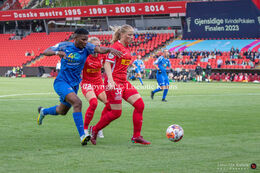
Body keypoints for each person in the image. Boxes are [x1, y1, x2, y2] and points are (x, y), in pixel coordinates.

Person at [37, 28, 122, 146]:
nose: (85, 42)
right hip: (61, 82)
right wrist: (57, 53)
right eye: (83, 39)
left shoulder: (87, 48)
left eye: (87, 39)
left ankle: (43, 111)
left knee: (62, 111)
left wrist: (110, 49)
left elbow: (99, 49)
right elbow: (46, 51)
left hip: (74, 84)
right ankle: (83, 135)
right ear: (75, 38)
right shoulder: (64, 46)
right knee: (78, 103)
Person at [89, 24, 151, 145]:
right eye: (129, 34)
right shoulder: (116, 47)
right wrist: (111, 81)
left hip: (124, 82)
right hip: (114, 83)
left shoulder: (126, 47)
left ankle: (136, 136)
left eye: (133, 35)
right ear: (122, 34)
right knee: (116, 113)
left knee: (140, 105)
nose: (132, 37)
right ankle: (94, 130)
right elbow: (107, 64)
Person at [80, 37, 107, 138]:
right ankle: (85, 129)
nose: (98, 48)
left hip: (99, 83)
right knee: (94, 103)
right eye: (95, 46)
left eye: (99, 45)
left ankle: (97, 128)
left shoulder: (102, 56)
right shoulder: (85, 57)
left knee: (109, 105)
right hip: (87, 83)